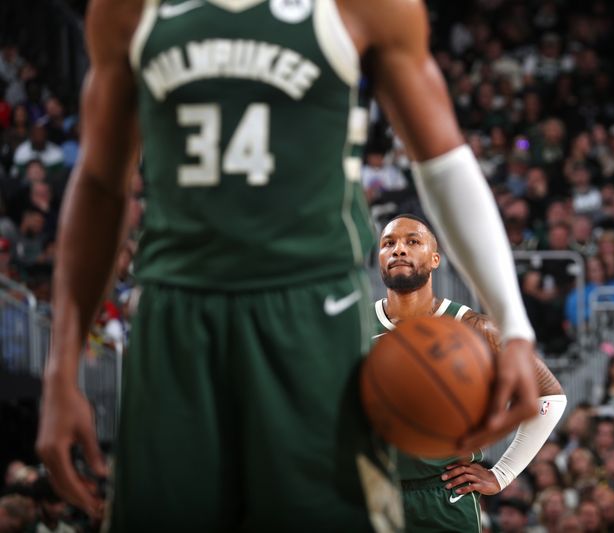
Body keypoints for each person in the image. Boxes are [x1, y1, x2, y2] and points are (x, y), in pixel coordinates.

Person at [35, 1, 545, 531]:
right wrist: (60, 363)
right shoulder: (126, 8)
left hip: (313, 311)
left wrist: (513, 322)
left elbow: (443, 162)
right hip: (176, 310)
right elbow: (98, 182)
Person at [374, 215, 566, 532]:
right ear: (379, 258)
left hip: (444, 495)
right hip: (374, 494)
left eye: (412, 241)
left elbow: (550, 396)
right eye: (388, 243)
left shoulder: (477, 328)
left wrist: (502, 473)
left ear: (435, 259)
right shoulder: (354, 328)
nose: (399, 250)